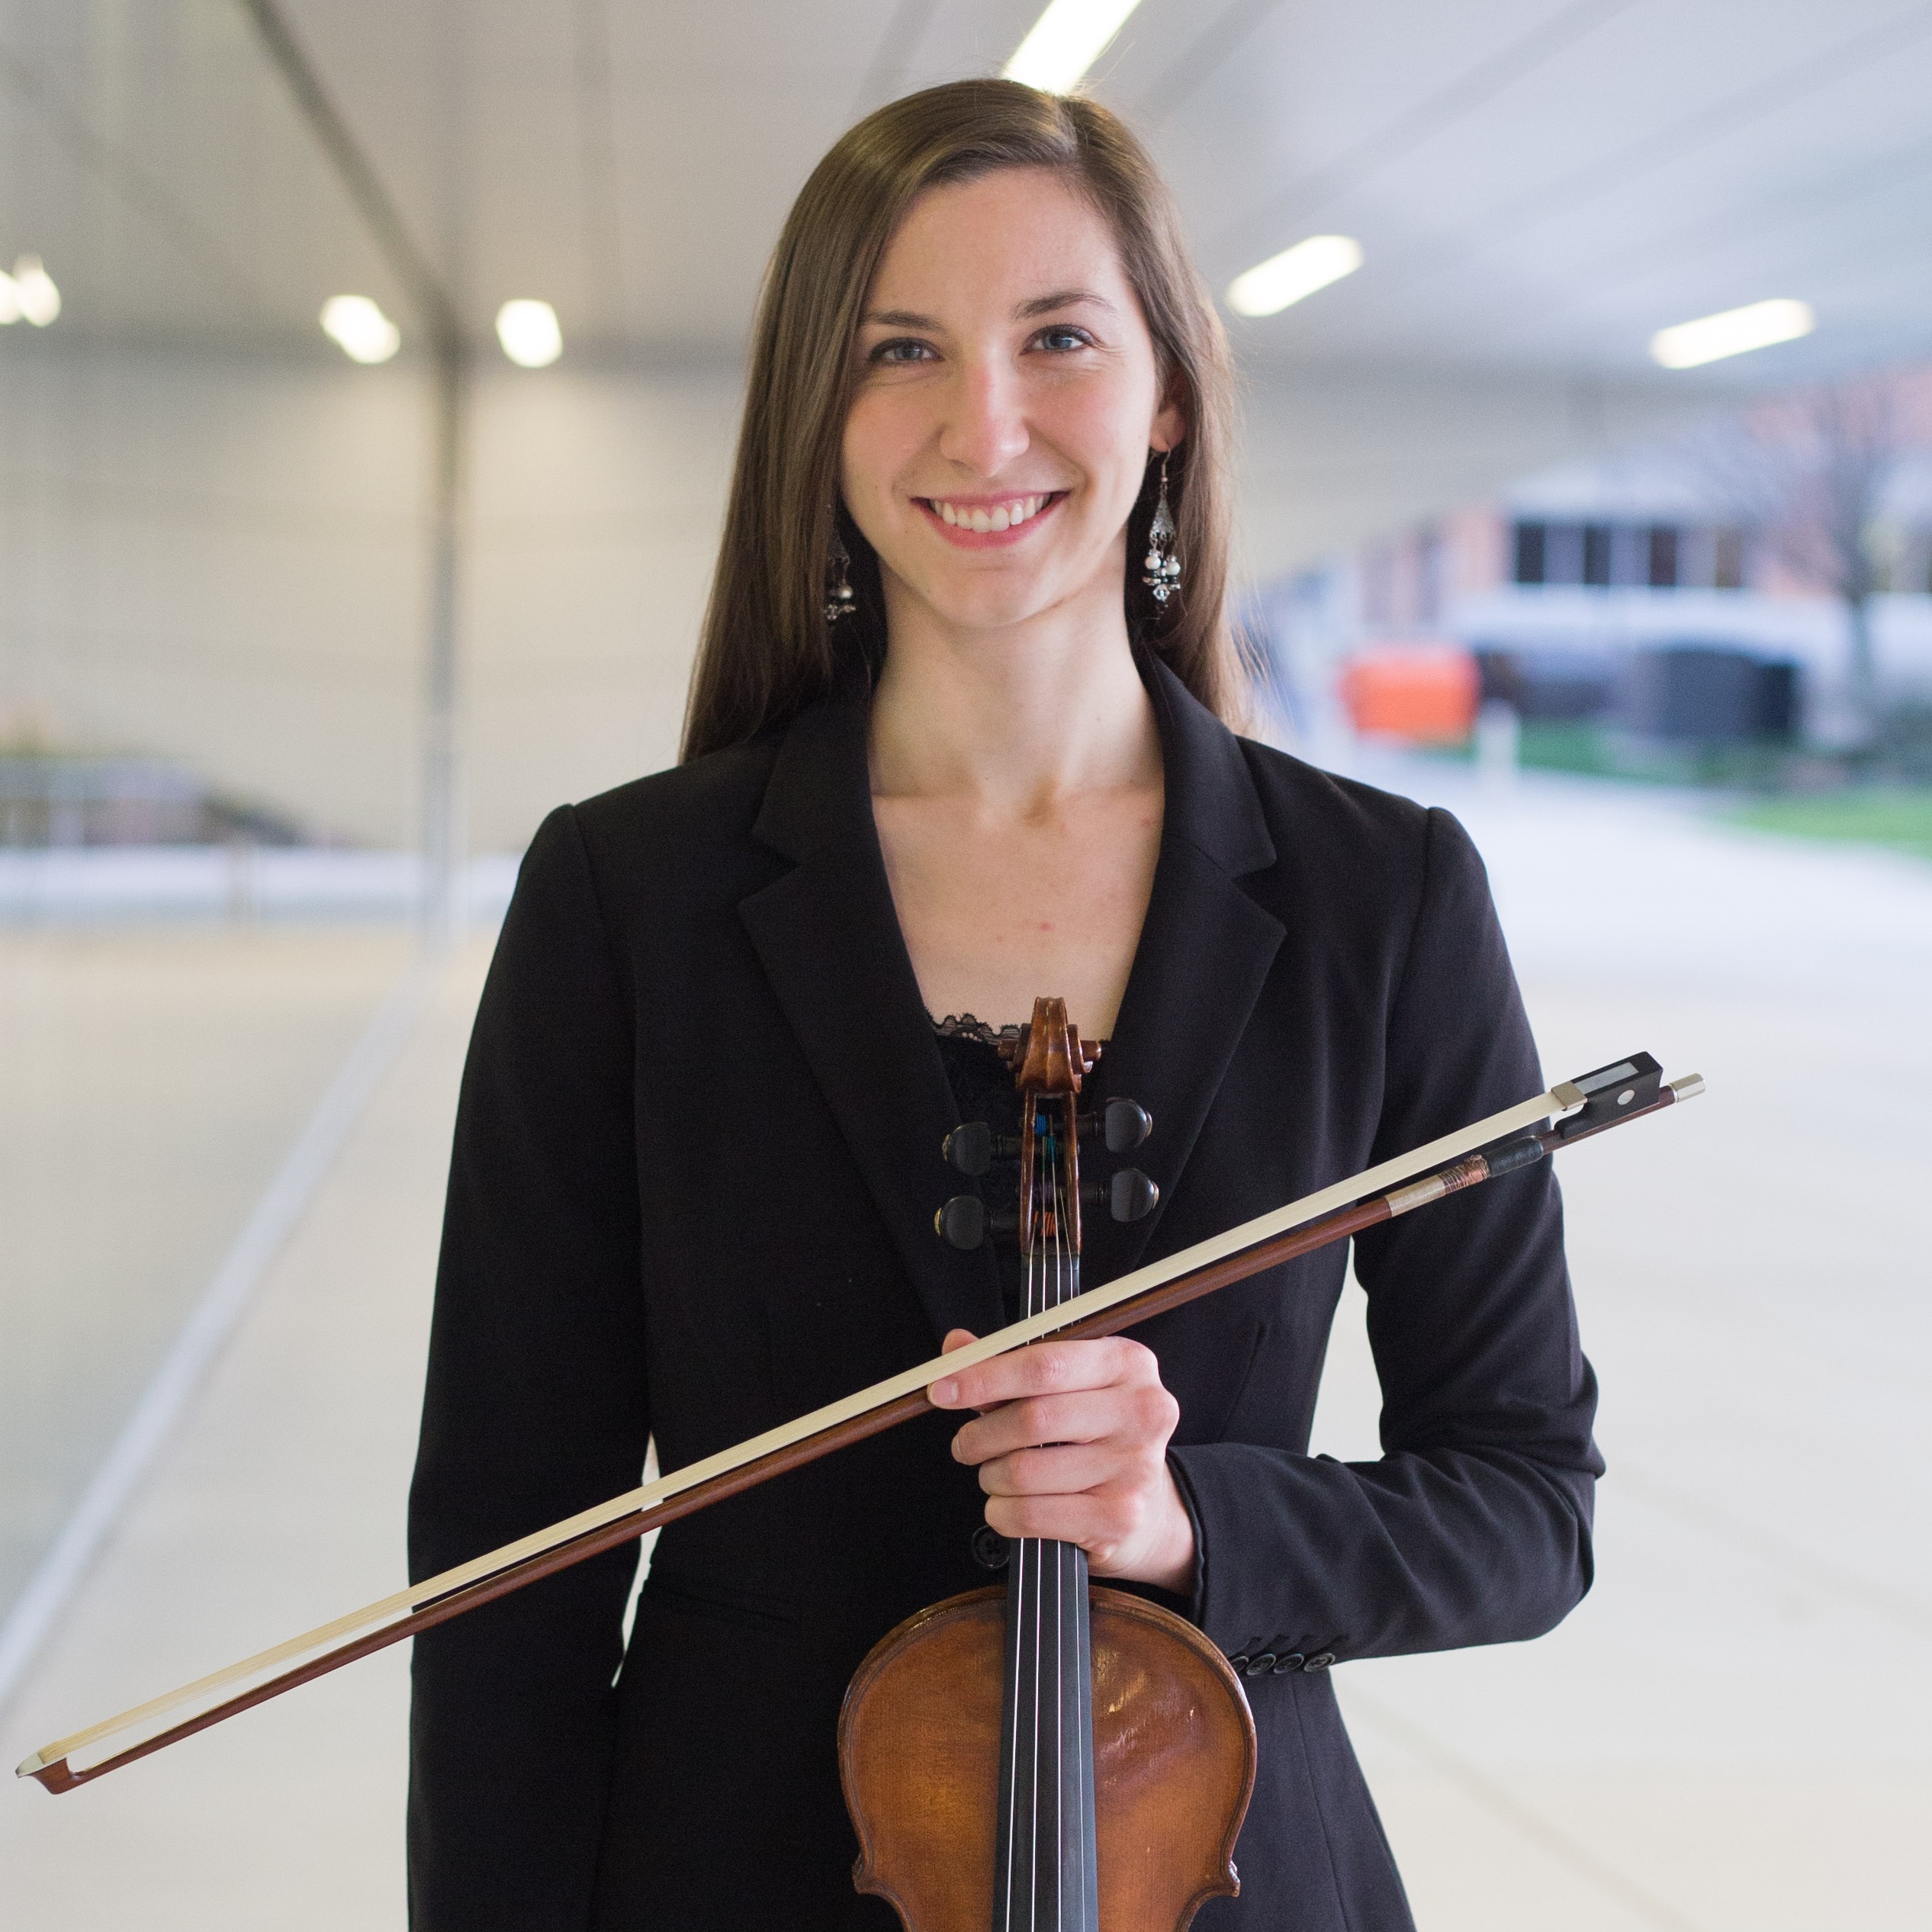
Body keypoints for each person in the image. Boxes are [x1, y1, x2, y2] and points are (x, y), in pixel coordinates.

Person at [407, 79, 1600, 1931]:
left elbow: (1525, 1505)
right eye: (901, 349)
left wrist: (1192, 1519)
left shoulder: (1386, 894)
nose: (984, 424)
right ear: (817, 414)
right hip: (734, 1870)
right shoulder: (626, 895)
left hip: (1211, 1869)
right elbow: (505, 1560)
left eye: (1058, 337)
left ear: (1167, 392)